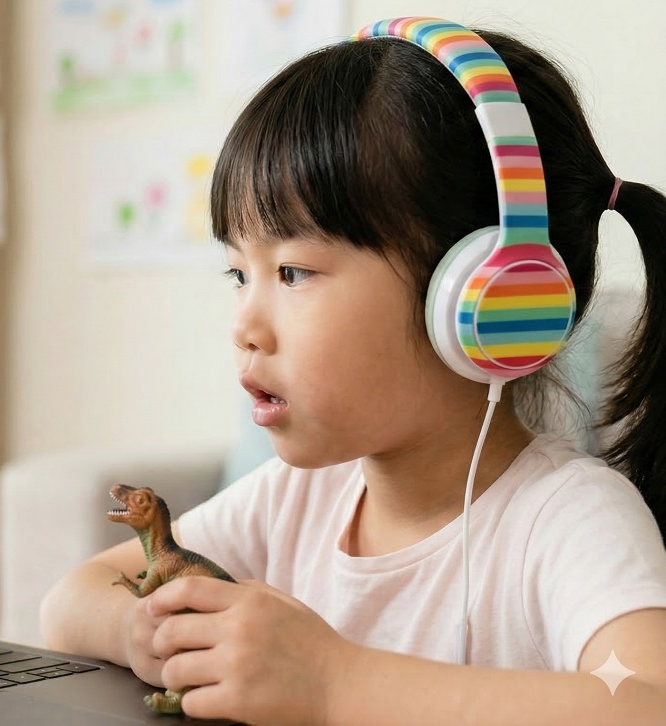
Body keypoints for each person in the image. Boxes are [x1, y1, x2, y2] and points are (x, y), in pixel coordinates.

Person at [41, 18, 666, 725]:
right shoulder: (294, 501)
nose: (244, 326)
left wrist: (334, 681)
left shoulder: (566, 519)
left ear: (485, 298)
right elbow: (68, 603)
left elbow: (646, 703)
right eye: (239, 275)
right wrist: (147, 633)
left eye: (292, 271)